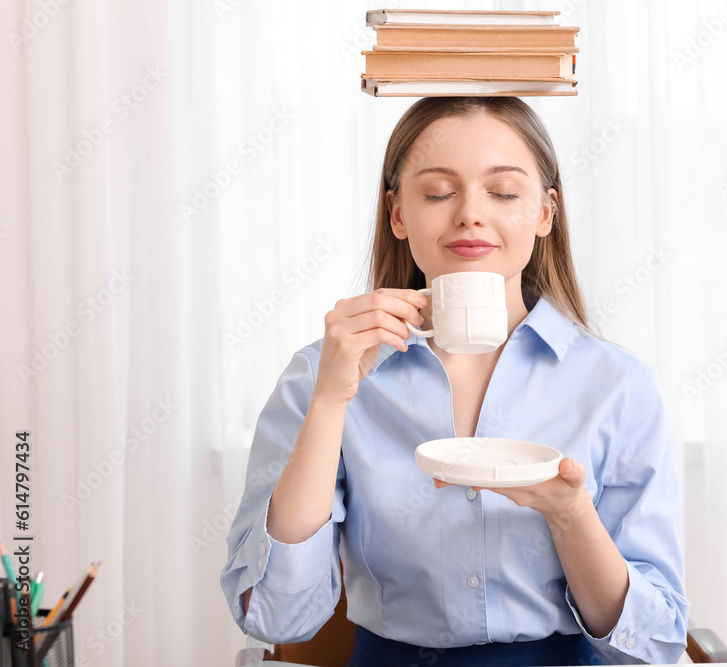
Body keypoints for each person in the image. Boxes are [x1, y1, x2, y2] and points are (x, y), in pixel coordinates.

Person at [220, 96, 689, 666]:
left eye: (505, 192)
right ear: (398, 215)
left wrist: (571, 515)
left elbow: (655, 648)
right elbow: (275, 615)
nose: (470, 213)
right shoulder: (325, 373)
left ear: (545, 213)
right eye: (439, 192)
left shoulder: (619, 386)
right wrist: (330, 400)